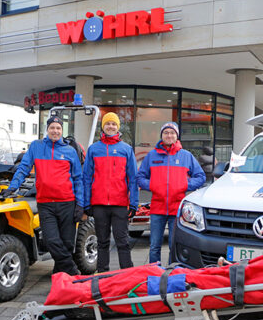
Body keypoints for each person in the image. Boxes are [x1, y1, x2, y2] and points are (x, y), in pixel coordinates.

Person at [3, 115, 84, 275]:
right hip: (46, 203)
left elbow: (78, 179)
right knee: (51, 241)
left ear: (62, 130)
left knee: (67, 243)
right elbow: (24, 167)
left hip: (67, 202)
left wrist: (80, 204)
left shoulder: (69, 151)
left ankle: (60, 279)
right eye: (52, 127)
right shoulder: (36, 147)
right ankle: (72, 271)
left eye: (58, 128)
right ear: (47, 130)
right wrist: (12, 187)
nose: (55, 130)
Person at [136, 122, 205, 264]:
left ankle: (171, 272)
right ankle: (154, 272)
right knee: (154, 245)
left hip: (177, 209)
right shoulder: (152, 155)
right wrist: (153, 185)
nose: (169, 135)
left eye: (172, 132)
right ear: (162, 136)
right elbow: (140, 177)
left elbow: (200, 177)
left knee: (174, 245)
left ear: (177, 136)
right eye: (166, 132)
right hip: (157, 209)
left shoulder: (186, 156)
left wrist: (185, 185)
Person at [83, 112, 138, 272]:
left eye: (114, 124)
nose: (111, 126)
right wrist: (87, 203)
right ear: (103, 126)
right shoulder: (94, 149)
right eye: (108, 123)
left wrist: (133, 203)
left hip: (120, 204)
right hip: (99, 204)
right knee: (102, 242)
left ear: (118, 127)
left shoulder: (126, 149)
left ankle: (127, 274)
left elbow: (133, 178)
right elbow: (87, 178)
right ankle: (102, 275)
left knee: (123, 242)